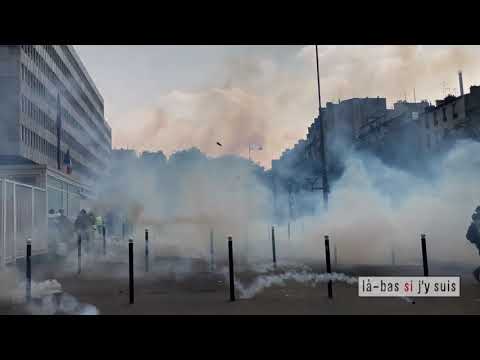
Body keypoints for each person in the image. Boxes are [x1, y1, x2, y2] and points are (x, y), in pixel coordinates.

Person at [466, 206, 480, 282]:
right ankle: (476, 272)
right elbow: (468, 236)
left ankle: (477, 272)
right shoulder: (475, 223)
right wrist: (476, 240)